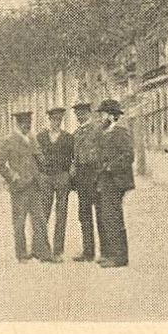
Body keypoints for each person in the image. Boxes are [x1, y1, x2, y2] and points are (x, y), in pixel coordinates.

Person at [0, 111, 52, 262]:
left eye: (29, 123)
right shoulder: (9, 141)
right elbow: (0, 165)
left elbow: (40, 159)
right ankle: (21, 254)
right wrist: (13, 177)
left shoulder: (33, 139)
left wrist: (43, 163)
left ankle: (44, 253)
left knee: (40, 220)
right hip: (19, 188)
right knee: (19, 222)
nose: (28, 126)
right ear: (18, 124)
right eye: (25, 123)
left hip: (35, 186)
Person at [95, 100, 134, 268]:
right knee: (107, 217)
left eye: (103, 114)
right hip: (106, 180)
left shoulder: (121, 133)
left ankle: (119, 257)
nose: (101, 117)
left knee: (114, 217)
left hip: (116, 180)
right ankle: (111, 254)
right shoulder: (105, 132)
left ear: (111, 116)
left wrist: (111, 166)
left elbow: (128, 156)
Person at [37, 106, 75, 259]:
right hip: (45, 178)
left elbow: (74, 158)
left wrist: (70, 172)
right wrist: (39, 174)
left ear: (61, 121)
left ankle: (58, 250)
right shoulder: (41, 137)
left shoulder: (68, 138)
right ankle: (41, 248)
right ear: (49, 120)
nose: (56, 122)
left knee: (61, 213)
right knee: (43, 212)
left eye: (59, 120)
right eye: (53, 119)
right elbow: (35, 156)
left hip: (62, 178)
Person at [69, 102, 102, 261]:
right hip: (82, 178)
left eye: (82, 113)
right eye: (77, 114)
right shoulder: (76, 134)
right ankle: (88, 252)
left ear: (89, 113)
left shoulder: (98, 130)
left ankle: (106, 252)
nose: (79, 116)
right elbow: (74, 158)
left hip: (95, 175)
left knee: (101, 215)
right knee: (84, 215)